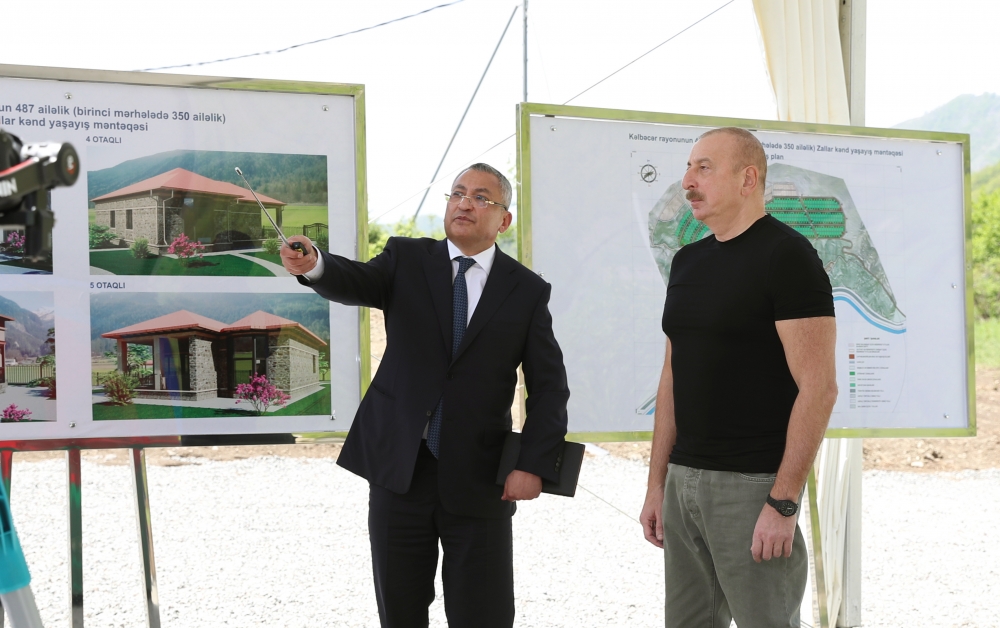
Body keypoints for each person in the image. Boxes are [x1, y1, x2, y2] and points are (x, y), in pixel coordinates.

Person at [281, 163, 569, 628]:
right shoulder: (407, 258)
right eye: (457, 193)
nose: (465, 203)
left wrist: (532, 463)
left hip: (481, 480)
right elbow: (355, 280)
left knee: (485, 615)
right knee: (400, 612)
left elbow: (550, 386)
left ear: (504, 219)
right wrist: (315, 264)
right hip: (400, 470)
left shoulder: (527, 290)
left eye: (481, 197)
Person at [638, 127, 839, 628]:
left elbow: (819, 388)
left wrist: (783, 502)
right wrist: (657, 484)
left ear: (748, 179)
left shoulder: (787, 256)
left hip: (753, 489)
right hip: (683, 483)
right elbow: (672, 377)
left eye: (703, 168)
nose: (688, 181)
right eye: (688, 168)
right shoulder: (687, 261)